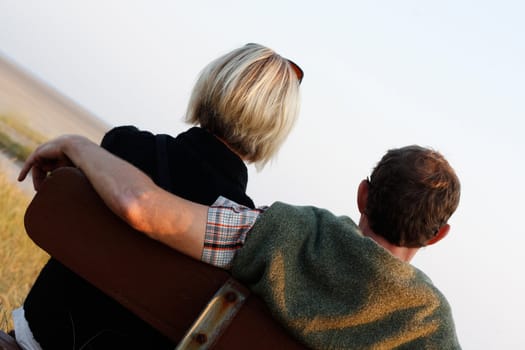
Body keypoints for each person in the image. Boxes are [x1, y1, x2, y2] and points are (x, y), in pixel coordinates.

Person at [18, 136, 462, 349]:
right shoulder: (431, 327)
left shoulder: (284, 234)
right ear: (437, 235)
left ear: (362, 194)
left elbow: (141, 208)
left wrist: (78, 146)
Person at [13, 43, 303, 350]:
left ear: (211, 88)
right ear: (273, 129)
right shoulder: (241, 233)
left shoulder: (124, 146)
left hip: (39, 335)